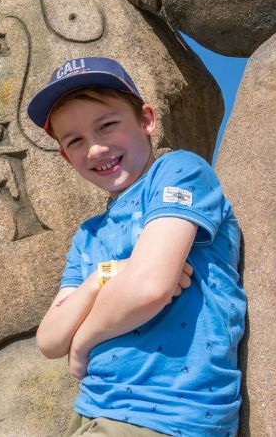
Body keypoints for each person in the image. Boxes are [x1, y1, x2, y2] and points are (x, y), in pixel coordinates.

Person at [29, 57, 247, 437]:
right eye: (75, 140)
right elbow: (50, 338)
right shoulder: (89, 235)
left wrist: (83, 340)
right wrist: (104, 276)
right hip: (93, 409)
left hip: (169, 414)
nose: (95, 149)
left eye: (107, 125)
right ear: (65, 156)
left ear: (146, 120)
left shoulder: (179, 171)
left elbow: (149, 288)